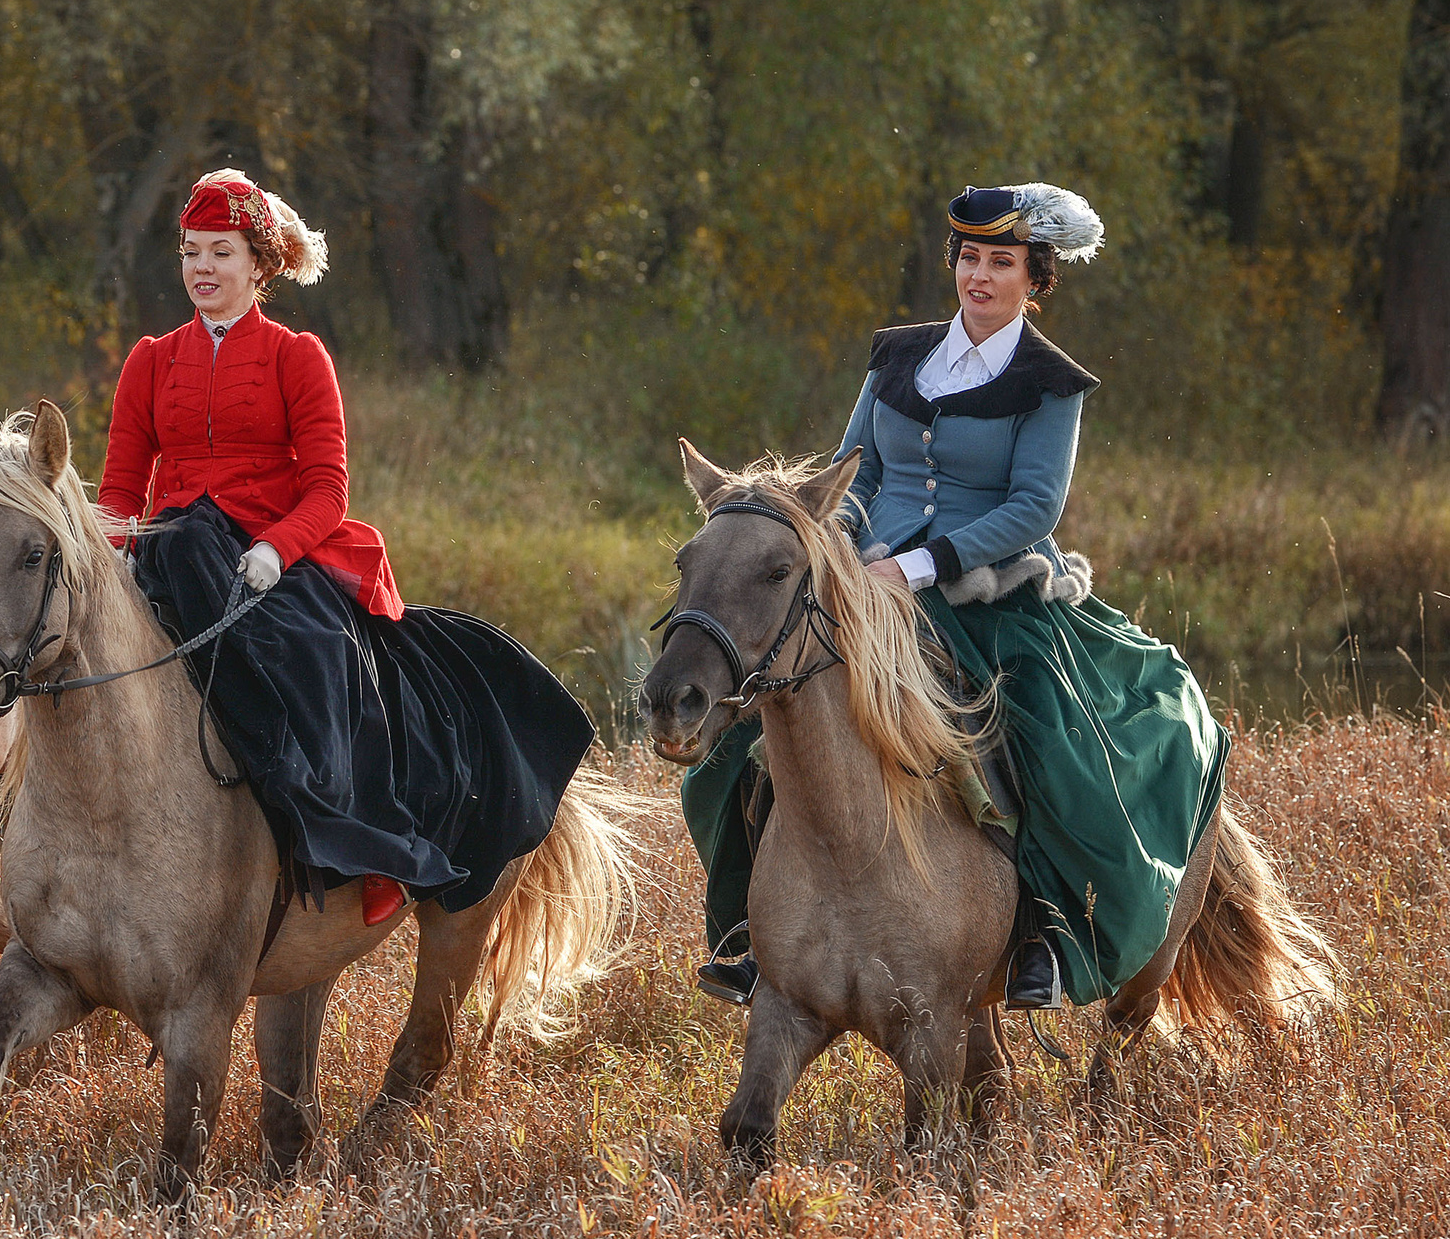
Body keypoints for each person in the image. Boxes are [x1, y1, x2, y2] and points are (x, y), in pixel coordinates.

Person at [682, 183, 1227, 1012]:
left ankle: (1046, 934)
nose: (980, 275)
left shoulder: (1052, 382)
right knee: (738, 733)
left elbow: (1034, 507)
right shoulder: (898, 356)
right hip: (863, 588)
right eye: (970, 257)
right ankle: (749, 935)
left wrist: (919, 566)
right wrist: (840, 548)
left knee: (1053, 745)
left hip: (989, 594)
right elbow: (853, 472)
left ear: (1034, 277)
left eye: (1001, 262)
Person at [96, 168, 595, 926]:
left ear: (259, 265)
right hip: (171, 553)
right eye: (191, 251)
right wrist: (113, 556)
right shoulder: (149, 360)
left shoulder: (298, 356)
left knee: (320, 658)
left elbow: (329, 488)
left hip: (269, 560)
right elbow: (119, 492)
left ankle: (361, 836)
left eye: (222, 252)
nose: (202, 268)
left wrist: (274, 550)